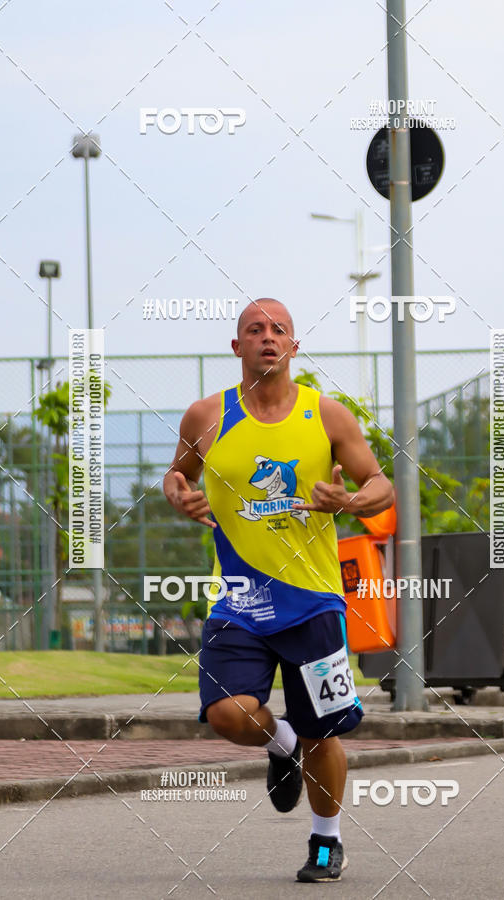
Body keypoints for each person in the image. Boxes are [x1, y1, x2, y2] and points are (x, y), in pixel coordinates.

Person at [163, 298, 393, 883]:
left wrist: (352, 501)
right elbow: (178, 472)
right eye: (255, 329)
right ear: (237, 346)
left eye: (280, 330)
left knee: (325, 731)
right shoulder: (206, 416)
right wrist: (177, 492)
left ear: (294, 346)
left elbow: (380, 485)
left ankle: (326, 840)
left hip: (312, 600)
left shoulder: (327, 415)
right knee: (228, 714)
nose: (268, 337)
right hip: (238, 599)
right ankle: (280, 740)